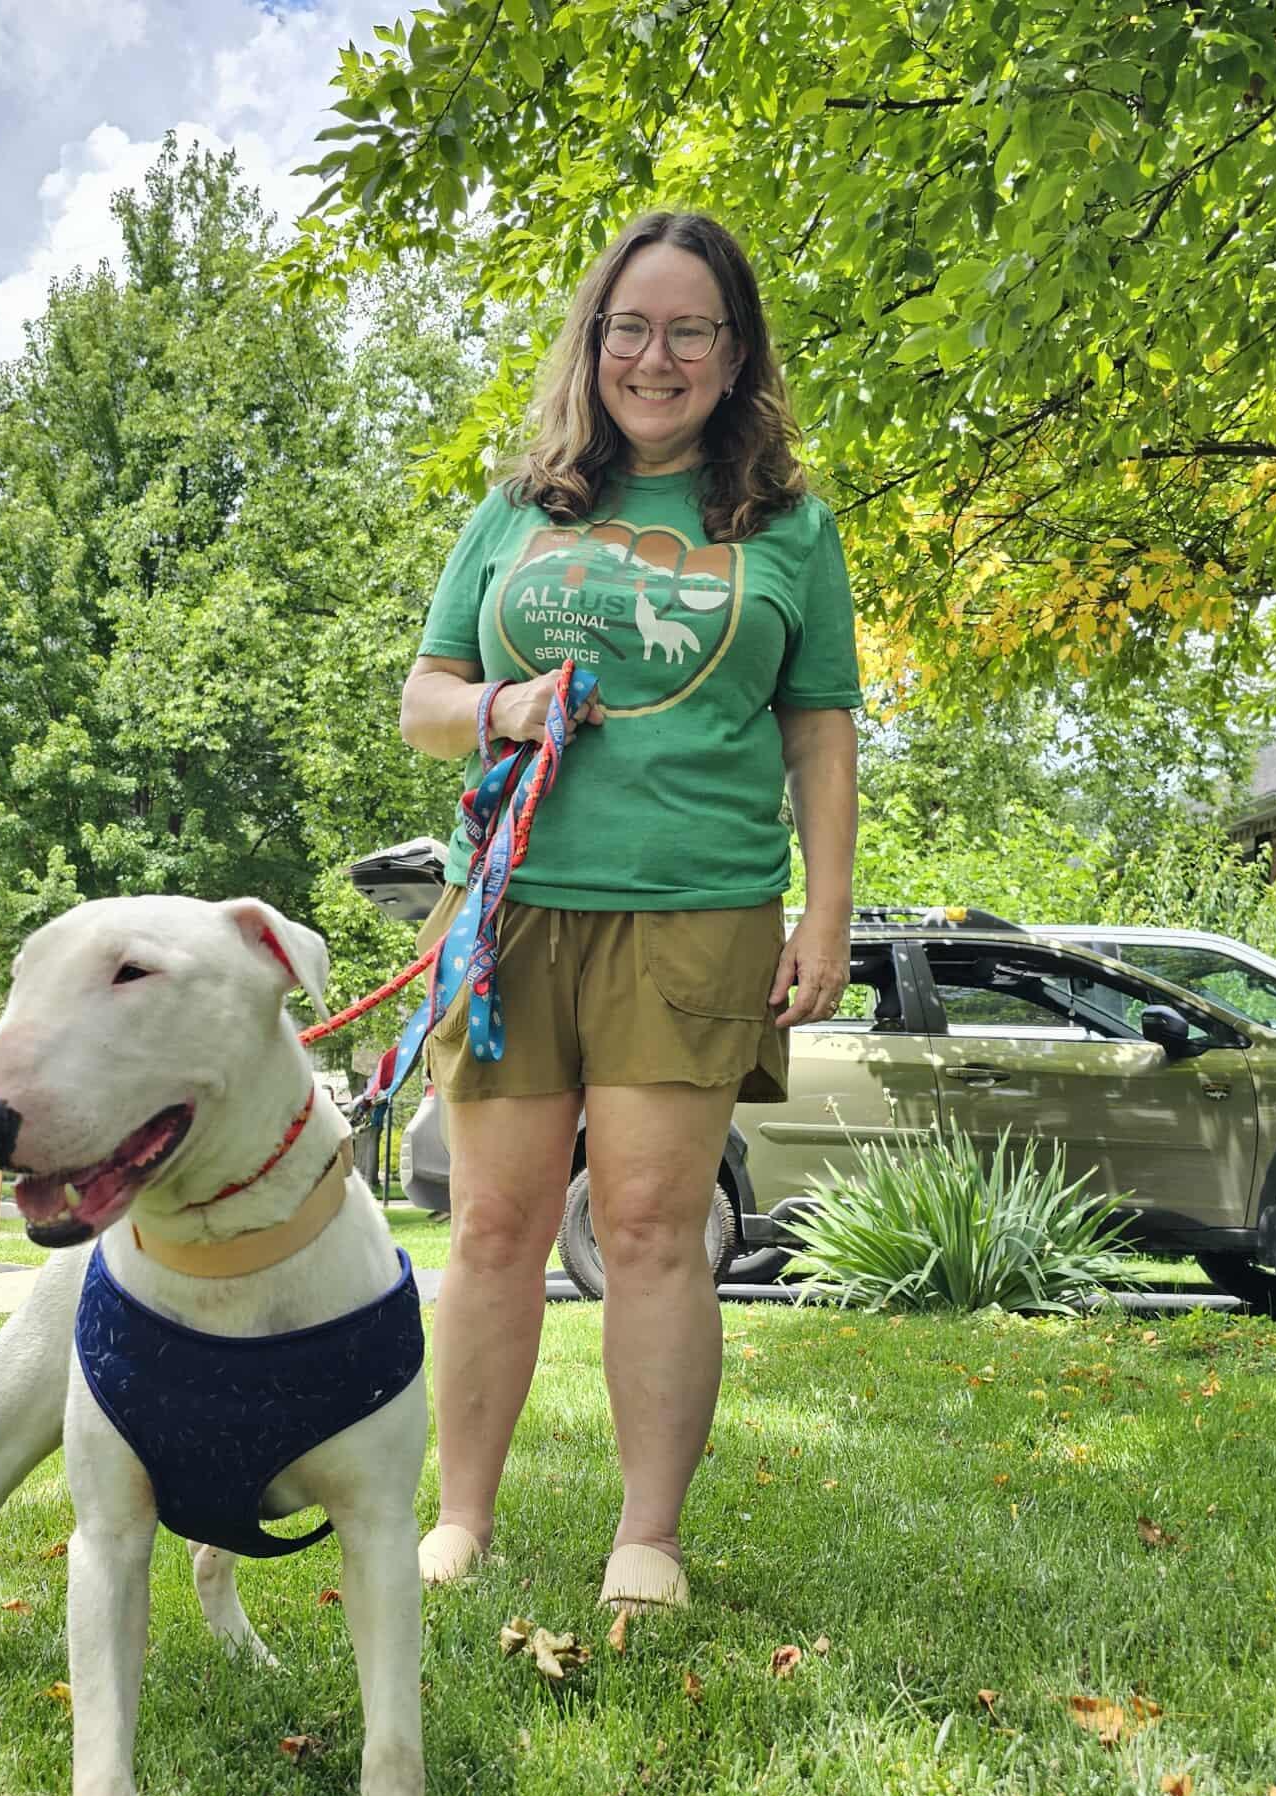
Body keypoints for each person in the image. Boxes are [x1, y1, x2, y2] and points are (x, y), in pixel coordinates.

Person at [398, 210, 860, 1612]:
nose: (656, 359)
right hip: (511, 907)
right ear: (594, 343)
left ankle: (646, 1538)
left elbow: (820, 729)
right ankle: (460, 1519)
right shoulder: (514, 509)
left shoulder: (789, 528)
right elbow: (424, 702)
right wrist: (506, 705)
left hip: (697, 906)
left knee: (654, 1227)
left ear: (735, 353)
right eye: (631, 328)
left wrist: (826, 912)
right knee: (493, 1227)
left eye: (690, 331)